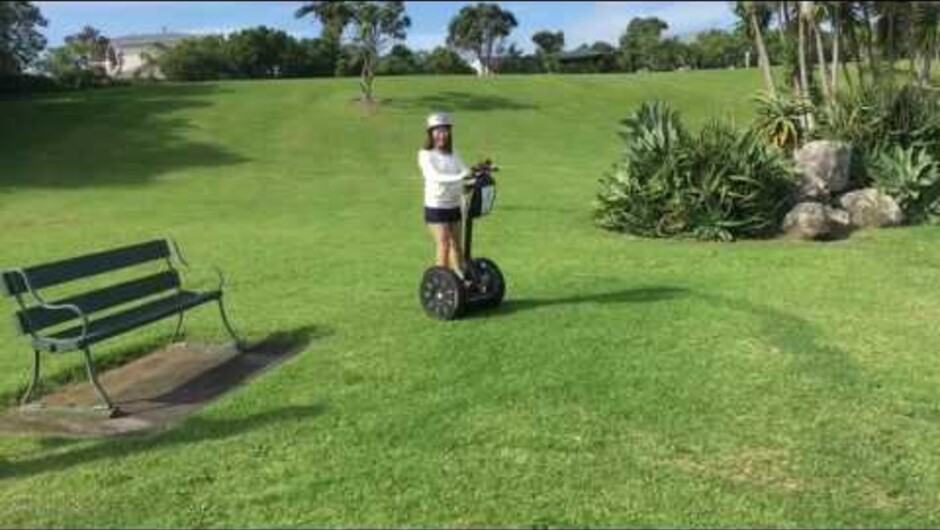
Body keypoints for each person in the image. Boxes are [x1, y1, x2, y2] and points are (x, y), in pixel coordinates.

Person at [418, 112, 473, 278]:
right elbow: (433, 176)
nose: (441, 135)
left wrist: (477, 173)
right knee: (443, 245)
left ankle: (461, 279)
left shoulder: (453, 153)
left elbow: (464, 170)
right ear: (431, 133)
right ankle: (441, 281)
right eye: (437, 131)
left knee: (457, 245)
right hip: (436, 206)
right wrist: (460, 177)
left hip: (454, 204)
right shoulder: (425, 154)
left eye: (444, 130)